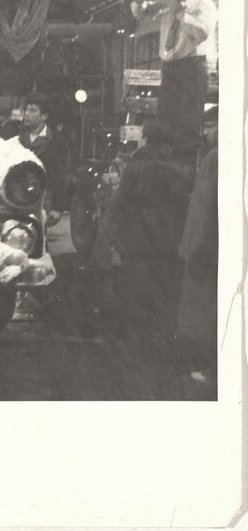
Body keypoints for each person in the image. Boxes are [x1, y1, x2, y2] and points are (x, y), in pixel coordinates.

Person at [110, 120, 192, 398]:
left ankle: (134, 356)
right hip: (165, 245)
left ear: (146, 139)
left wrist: (117, 239)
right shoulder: (179, 172)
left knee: (134, 299)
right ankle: (160, 355)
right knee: (161, 298)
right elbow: (183, 209)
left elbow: (121, 205)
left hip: (136, 245)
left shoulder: (135, 168)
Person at [130, 0, 217, 163]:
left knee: (189, 122)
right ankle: (164, 165)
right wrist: (139, 1)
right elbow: (142, 13)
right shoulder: (170, 2)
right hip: (170, 68)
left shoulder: (205, 6)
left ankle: (185, 169)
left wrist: (182, 13)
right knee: (165, 119)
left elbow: (202, 33)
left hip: (193, 67)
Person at [176, 142, 218, 394]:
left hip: (209, 244)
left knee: (211, 306)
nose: (207, 131)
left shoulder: (216, 157)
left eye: (213, 124)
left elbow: (205, 208)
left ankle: (214, 367)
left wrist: (197, 245)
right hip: (211, 242)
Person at [17, 93, 67, 223]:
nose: (27, 114)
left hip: (44, 202)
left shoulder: (57, 142)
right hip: (16, 198)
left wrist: (57, 207)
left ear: (44, 116)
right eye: (26, 110)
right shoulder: (15, 138)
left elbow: (60, 175)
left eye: (33, 110)